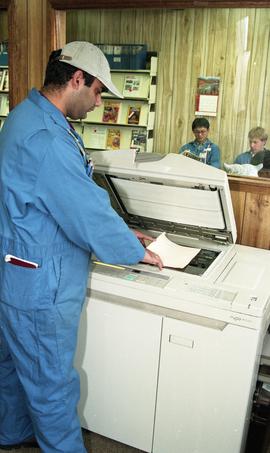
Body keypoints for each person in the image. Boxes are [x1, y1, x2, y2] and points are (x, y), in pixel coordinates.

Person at [0, 41, 163, 452]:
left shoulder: (25, 115)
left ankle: (12, 433)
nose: (98, 100)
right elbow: (85, 210)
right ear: (77, 79)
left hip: (14, 271)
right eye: (97, 91)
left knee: (12, 370)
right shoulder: (47, 138)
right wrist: (133, 248)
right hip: (40, 286)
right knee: (53, 387)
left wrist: (125, 231)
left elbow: (61, 194)